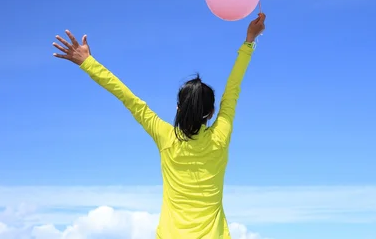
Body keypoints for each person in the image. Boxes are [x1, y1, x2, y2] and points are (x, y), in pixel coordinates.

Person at [52, 13, 266, 239]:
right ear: (211, 112)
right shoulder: (220, 136)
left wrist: (88, 63)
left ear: (177, 109)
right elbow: (233, 87)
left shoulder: (165, 137)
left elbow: (128, 98)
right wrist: (249, 39)